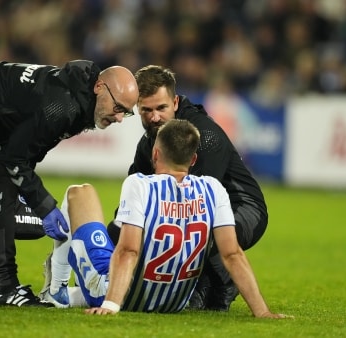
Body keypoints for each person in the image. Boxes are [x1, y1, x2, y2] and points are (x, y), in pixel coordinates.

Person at [0, 60, 138, 307]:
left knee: (9, 193)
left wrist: (30, 197)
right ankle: (1, 286)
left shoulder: (78, 100)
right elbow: (15, 158)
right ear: (99, 87)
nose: (119, 118)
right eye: (117, 107)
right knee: (0, 187)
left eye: (125, 112)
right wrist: (44, 206)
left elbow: (31, 148)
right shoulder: (63, 106)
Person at [41, 119, 287, 317]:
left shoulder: (139, 184)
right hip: (174, 303)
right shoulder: (213, 188)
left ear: (155, 155)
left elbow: (128, 251)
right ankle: (71, 294)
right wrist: (262, 311)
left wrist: (112, 306)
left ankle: (57, 291)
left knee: (79, 193)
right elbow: (232, 254)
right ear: (193, 160)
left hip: (125, 297)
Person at [112, 65, 271, 311]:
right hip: (201, 212)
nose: (154, 117)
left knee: (182, 229)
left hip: (244, 209)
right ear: (137, 108)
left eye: (161, 108)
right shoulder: (149, 142)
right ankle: (201, 286)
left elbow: (193, 207)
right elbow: (132, 206)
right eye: (146, 110)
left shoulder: (203, 136)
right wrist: (116, 233)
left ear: (175, 102)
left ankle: (220, 281)